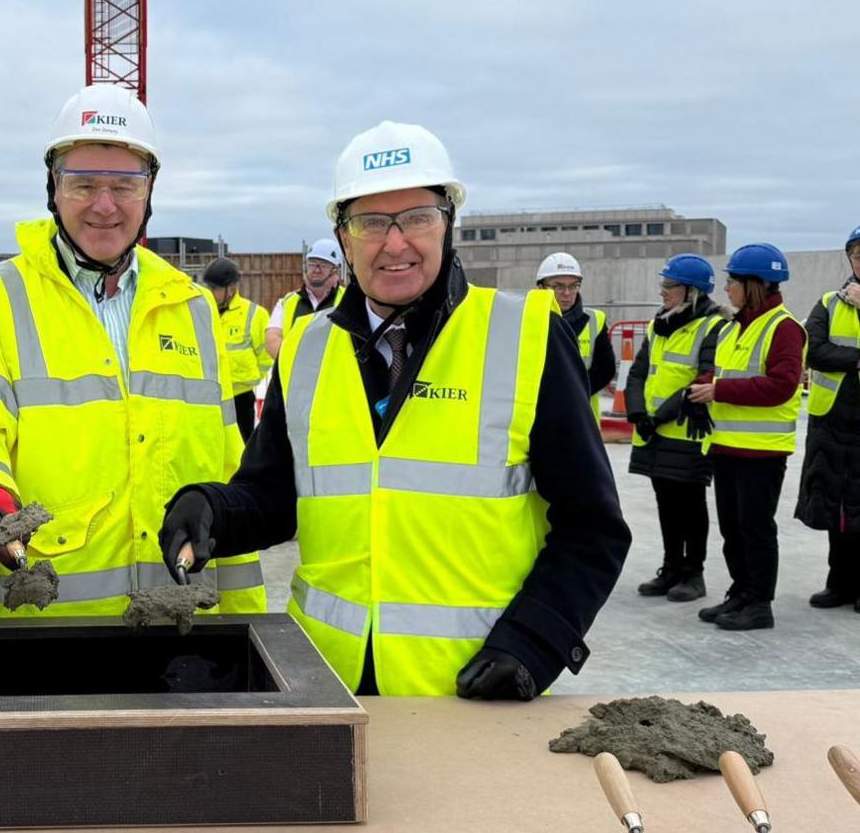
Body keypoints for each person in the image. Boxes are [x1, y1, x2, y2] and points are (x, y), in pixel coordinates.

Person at [158, 120, 630, 699]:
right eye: (372, 222)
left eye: (417, 218)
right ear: (343, 235)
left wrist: (535, 644)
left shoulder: (525, 334)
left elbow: (593, 527)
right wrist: (211, 509)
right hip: (328, 682)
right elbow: (275, 496)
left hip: (475, 690)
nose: (395, 242)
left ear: (448, 222)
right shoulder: (308, 347)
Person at [0, 83, 264, 617]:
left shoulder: (192, 306)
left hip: (181, 634)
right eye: (83, 184)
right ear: (53, 190)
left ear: (150, 191)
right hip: (39, 633)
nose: (104, 206)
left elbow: (224, 463)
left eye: (125, 185)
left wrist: (249, 619)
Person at [688, 243, 807, 631]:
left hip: (762, 451)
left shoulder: (785, 328)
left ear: (754, 285)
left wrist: (719, 390)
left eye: (732, 282)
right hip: (727, 445)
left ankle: (759, 604)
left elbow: (781, 386)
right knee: (732, 528)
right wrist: (700, 386)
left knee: (755, 529)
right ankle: (740, 593)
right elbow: (726, 371)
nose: (727, 289)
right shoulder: (735, 326)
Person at [624, 254, 729, 602]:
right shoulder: (659, 325)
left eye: (671, 286)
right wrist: (638, 412)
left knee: (690, 503)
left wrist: (660, 416)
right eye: (664, 285)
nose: (663, 292)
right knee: (665, 502)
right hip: (654, 430)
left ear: (692, 291)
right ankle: (670, 568)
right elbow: (639, 371)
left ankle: (692, 573)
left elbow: (704, 377)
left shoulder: (714, 326)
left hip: (687, 430)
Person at [794, 225, 860, 612]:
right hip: (832, 419)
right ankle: (840, 582)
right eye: (856, 254)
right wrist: (855, 360)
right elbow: (812, 348)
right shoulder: (829, 301)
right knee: (836, 504)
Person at [536, 252, 617, 421]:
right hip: (540, 415)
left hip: (582, 418)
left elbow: (605, 369)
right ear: (541, 287)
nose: (567, 293)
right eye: (558, 286)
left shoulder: (596, 320)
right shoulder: (529, 320)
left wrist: (574, 393)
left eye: (573, 286)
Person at [202, 256, 272, 440]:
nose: (209, 292)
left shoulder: (254, 315)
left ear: (232, 288)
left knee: (241, 454)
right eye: (207, 287)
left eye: (214, 288)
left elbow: (266, 357)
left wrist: (249, 378)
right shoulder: (201, 312)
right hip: (208, 399)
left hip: (239, 399)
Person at [265, 238, 343, 358]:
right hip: (294, 374)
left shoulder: (349, 300)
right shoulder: (287, 302)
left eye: (323, 265)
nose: (316, 270)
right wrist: (297, 363)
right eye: (312, 264)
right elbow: (272, 339)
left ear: (336, 270)